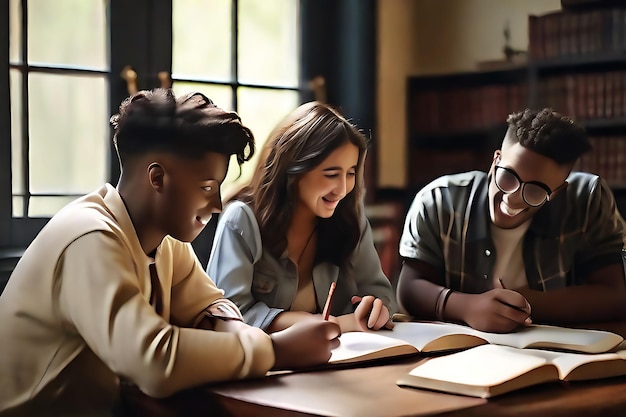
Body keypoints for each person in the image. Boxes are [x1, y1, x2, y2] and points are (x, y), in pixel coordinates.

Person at [0, 89, 340, 417]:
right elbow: (153, 362)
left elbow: (210, 307)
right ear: (157, 178)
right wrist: (276, 350)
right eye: (207, 187)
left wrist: (229, 327)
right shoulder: (89, 237)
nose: (218, 205)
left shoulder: (165, 242)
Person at [397, 108, 626, 333]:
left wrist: (525, 303)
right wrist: (466, 307)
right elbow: (409, 290)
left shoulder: (588, 199)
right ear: (495, 160)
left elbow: (615, 297)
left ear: (556, 192)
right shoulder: (438, 200)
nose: (512, 198)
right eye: (508, 176)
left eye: (536, 191)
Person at [207, 101, 396, 334]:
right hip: (267, 364)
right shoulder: (242, 220)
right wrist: (330, 324)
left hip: (345, 358)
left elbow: (381, 291)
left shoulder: (350, 220)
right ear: (293, 170)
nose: (343, 188)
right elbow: (230, 315)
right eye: (331, 174)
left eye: (351, 173)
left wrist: (378, 307)